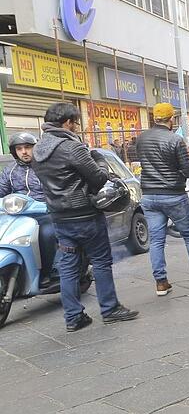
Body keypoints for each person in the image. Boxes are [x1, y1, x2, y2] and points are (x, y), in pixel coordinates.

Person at [31, 103, 139, 331]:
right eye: (76, 123)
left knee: (69, 267)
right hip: (85, 216)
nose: (77, 127)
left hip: (60, 217)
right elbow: (98, 179)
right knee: (100, 261)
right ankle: (110, 309)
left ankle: (73, 317)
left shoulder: (38, 149)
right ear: (67, 122)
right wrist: (99, 159)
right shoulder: (72, 147)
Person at [136, 103, 189, 297]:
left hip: (148, 195)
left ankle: (161, 282)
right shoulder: (175, 140)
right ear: (171, 119)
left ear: (155, 118)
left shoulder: (141, 139)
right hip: (173, 194)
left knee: (156, 240)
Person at [2, 132, 58, 285]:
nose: (24, 152)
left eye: (27, 147)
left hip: (44, 213)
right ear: (15, 152)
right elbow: (1, 192)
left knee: (46, 235)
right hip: (17, 216)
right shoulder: (10, 170)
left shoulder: (46, 166)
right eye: (19, 149)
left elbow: (56, 189)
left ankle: (47, 273)